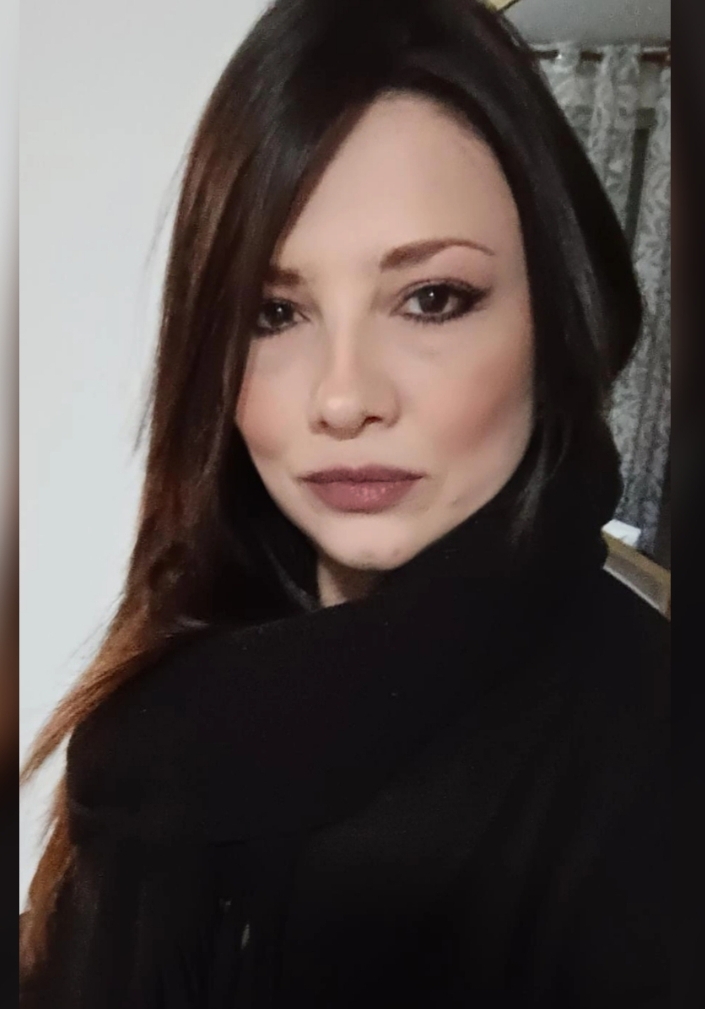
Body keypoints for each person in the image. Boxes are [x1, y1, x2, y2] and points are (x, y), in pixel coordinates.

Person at [20, 0, 669, 1006]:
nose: (342, 397)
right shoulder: (165, 700)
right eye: (274, 312)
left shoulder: (655, 746)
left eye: (432, 298)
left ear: (556, 318)